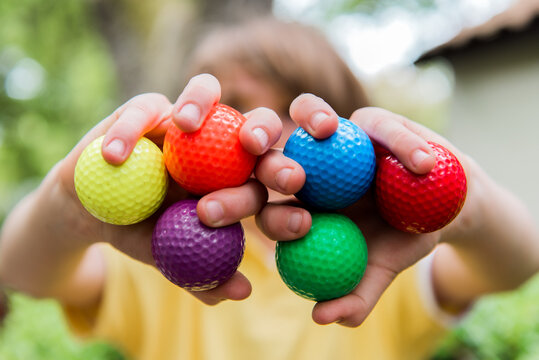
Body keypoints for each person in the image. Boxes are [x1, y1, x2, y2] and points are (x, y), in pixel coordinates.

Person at [1, 16, 538, 360]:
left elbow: (520, 261)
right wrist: (69, 208)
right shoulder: (159, 253)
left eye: (292, 109)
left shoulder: (388, 259)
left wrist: (454, 199)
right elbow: (21, 272)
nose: (263, 129)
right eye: (232, 106)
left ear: (343, 125)